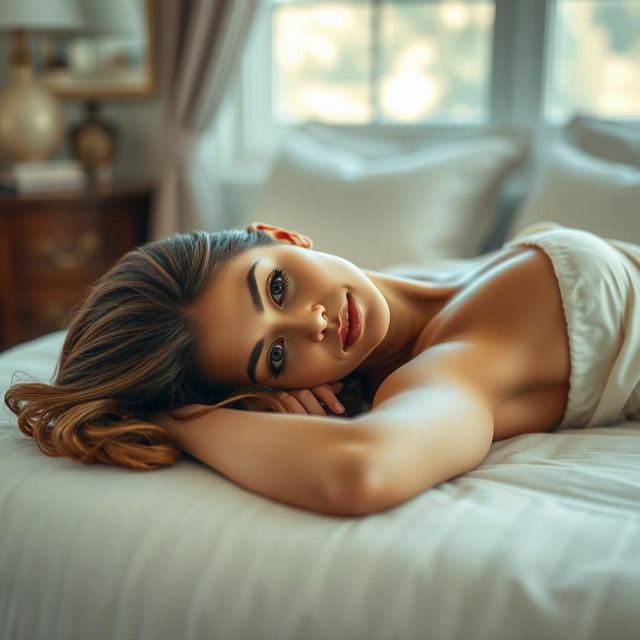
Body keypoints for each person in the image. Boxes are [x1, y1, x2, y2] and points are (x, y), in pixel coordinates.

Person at [5, 221, 640, 517]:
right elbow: (360, 466)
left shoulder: (467, 315)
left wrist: (180, 419)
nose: (313, 325)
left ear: (280, 233)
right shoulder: (439, 363)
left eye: (275, 287)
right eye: (275, 356)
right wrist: (193, 414)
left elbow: (358, 466)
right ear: (268, 390)